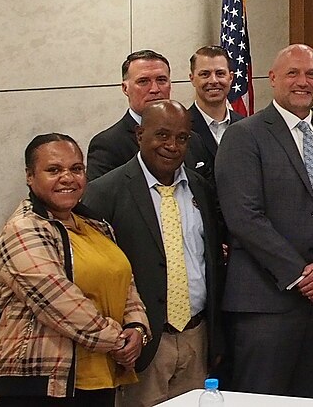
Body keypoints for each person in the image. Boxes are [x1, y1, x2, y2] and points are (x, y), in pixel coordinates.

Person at [215, 44, 313, 398]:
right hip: (266, 304)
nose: (303, 82)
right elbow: (244, 217)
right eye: (293, 73)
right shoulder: (244, 136)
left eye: (311, 74)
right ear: (272, 79)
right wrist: (302, 275)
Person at [84, 101, 227, 407]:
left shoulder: (201, 188)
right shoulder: (104, 193)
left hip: (196, 337)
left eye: (182, 138)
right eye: (162, 135)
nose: (172, 146)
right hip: (142, 342)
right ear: (139, 134)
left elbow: (211, 263)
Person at [0, 134, 149, 406]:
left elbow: (126, 284)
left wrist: (137, 328)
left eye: (76, 169)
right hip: (40, 385)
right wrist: (118, 340)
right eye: (53, 170)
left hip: (100, 377)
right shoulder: (23, 229)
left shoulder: (97, 226)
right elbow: (59, 303)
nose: (68, 177)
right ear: (30, 176)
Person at [88, 50, 212, 181]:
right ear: (125, 88)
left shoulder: (194, 140)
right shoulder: (108, 145)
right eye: (143, 81)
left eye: (161, 80)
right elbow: (102, 198)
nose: (155, 89)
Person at [186, 45, 244, 165]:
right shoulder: (181, 128)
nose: (213, 81)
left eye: (220, 73)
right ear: (192, 79)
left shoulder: (247, 127)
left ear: (231, 78)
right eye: (205, 74)